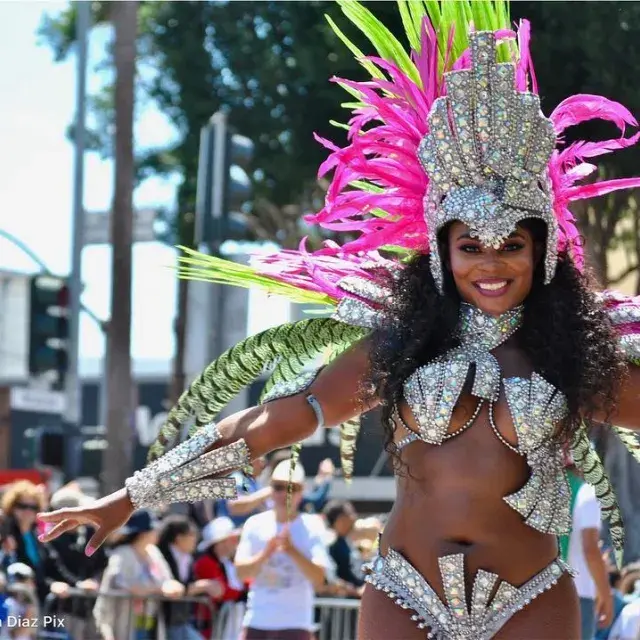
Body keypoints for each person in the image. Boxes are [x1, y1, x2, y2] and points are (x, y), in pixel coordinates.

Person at [36, 2, 640, 638]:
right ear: (440, 252)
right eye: (471, 246)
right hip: (407, 593)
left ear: (542, 253)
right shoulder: (400, 347)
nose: (491, 264)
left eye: (512, 245)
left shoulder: (576, 360)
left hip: (531, 599)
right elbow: (272, 422)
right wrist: (131, 496)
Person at [234, 460, 330, 639]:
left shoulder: (313, 525)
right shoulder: (254, 524)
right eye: (278, 487)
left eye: (291, 488)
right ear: (270, 488)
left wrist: (291, 550)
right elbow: (240, 573)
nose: (284, 494)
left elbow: (319, 579)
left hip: (296, 624)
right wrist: (266, 553)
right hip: (257, 622)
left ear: (301, 492)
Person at [563, 466, 614, 638]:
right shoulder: (587, 493)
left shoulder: (545, 492)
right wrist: (606, 595)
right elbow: (590, 549)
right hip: (578, 596)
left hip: (543, 593)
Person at [193, 517, 247, 639]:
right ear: (220, 542)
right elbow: (221, 591)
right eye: (232, 539)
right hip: (211, 625)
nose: (236, 543)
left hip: (230, 622)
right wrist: (242, 594)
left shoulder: (228, 562)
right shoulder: (206, 563)